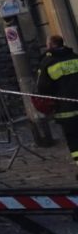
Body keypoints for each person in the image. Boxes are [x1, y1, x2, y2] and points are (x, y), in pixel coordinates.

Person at [35, 34, 78, 178]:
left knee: (73, 138)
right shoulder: (75, 57)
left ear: (51, 45)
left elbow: (42, 87)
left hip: (65, 108)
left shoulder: (48, 62)